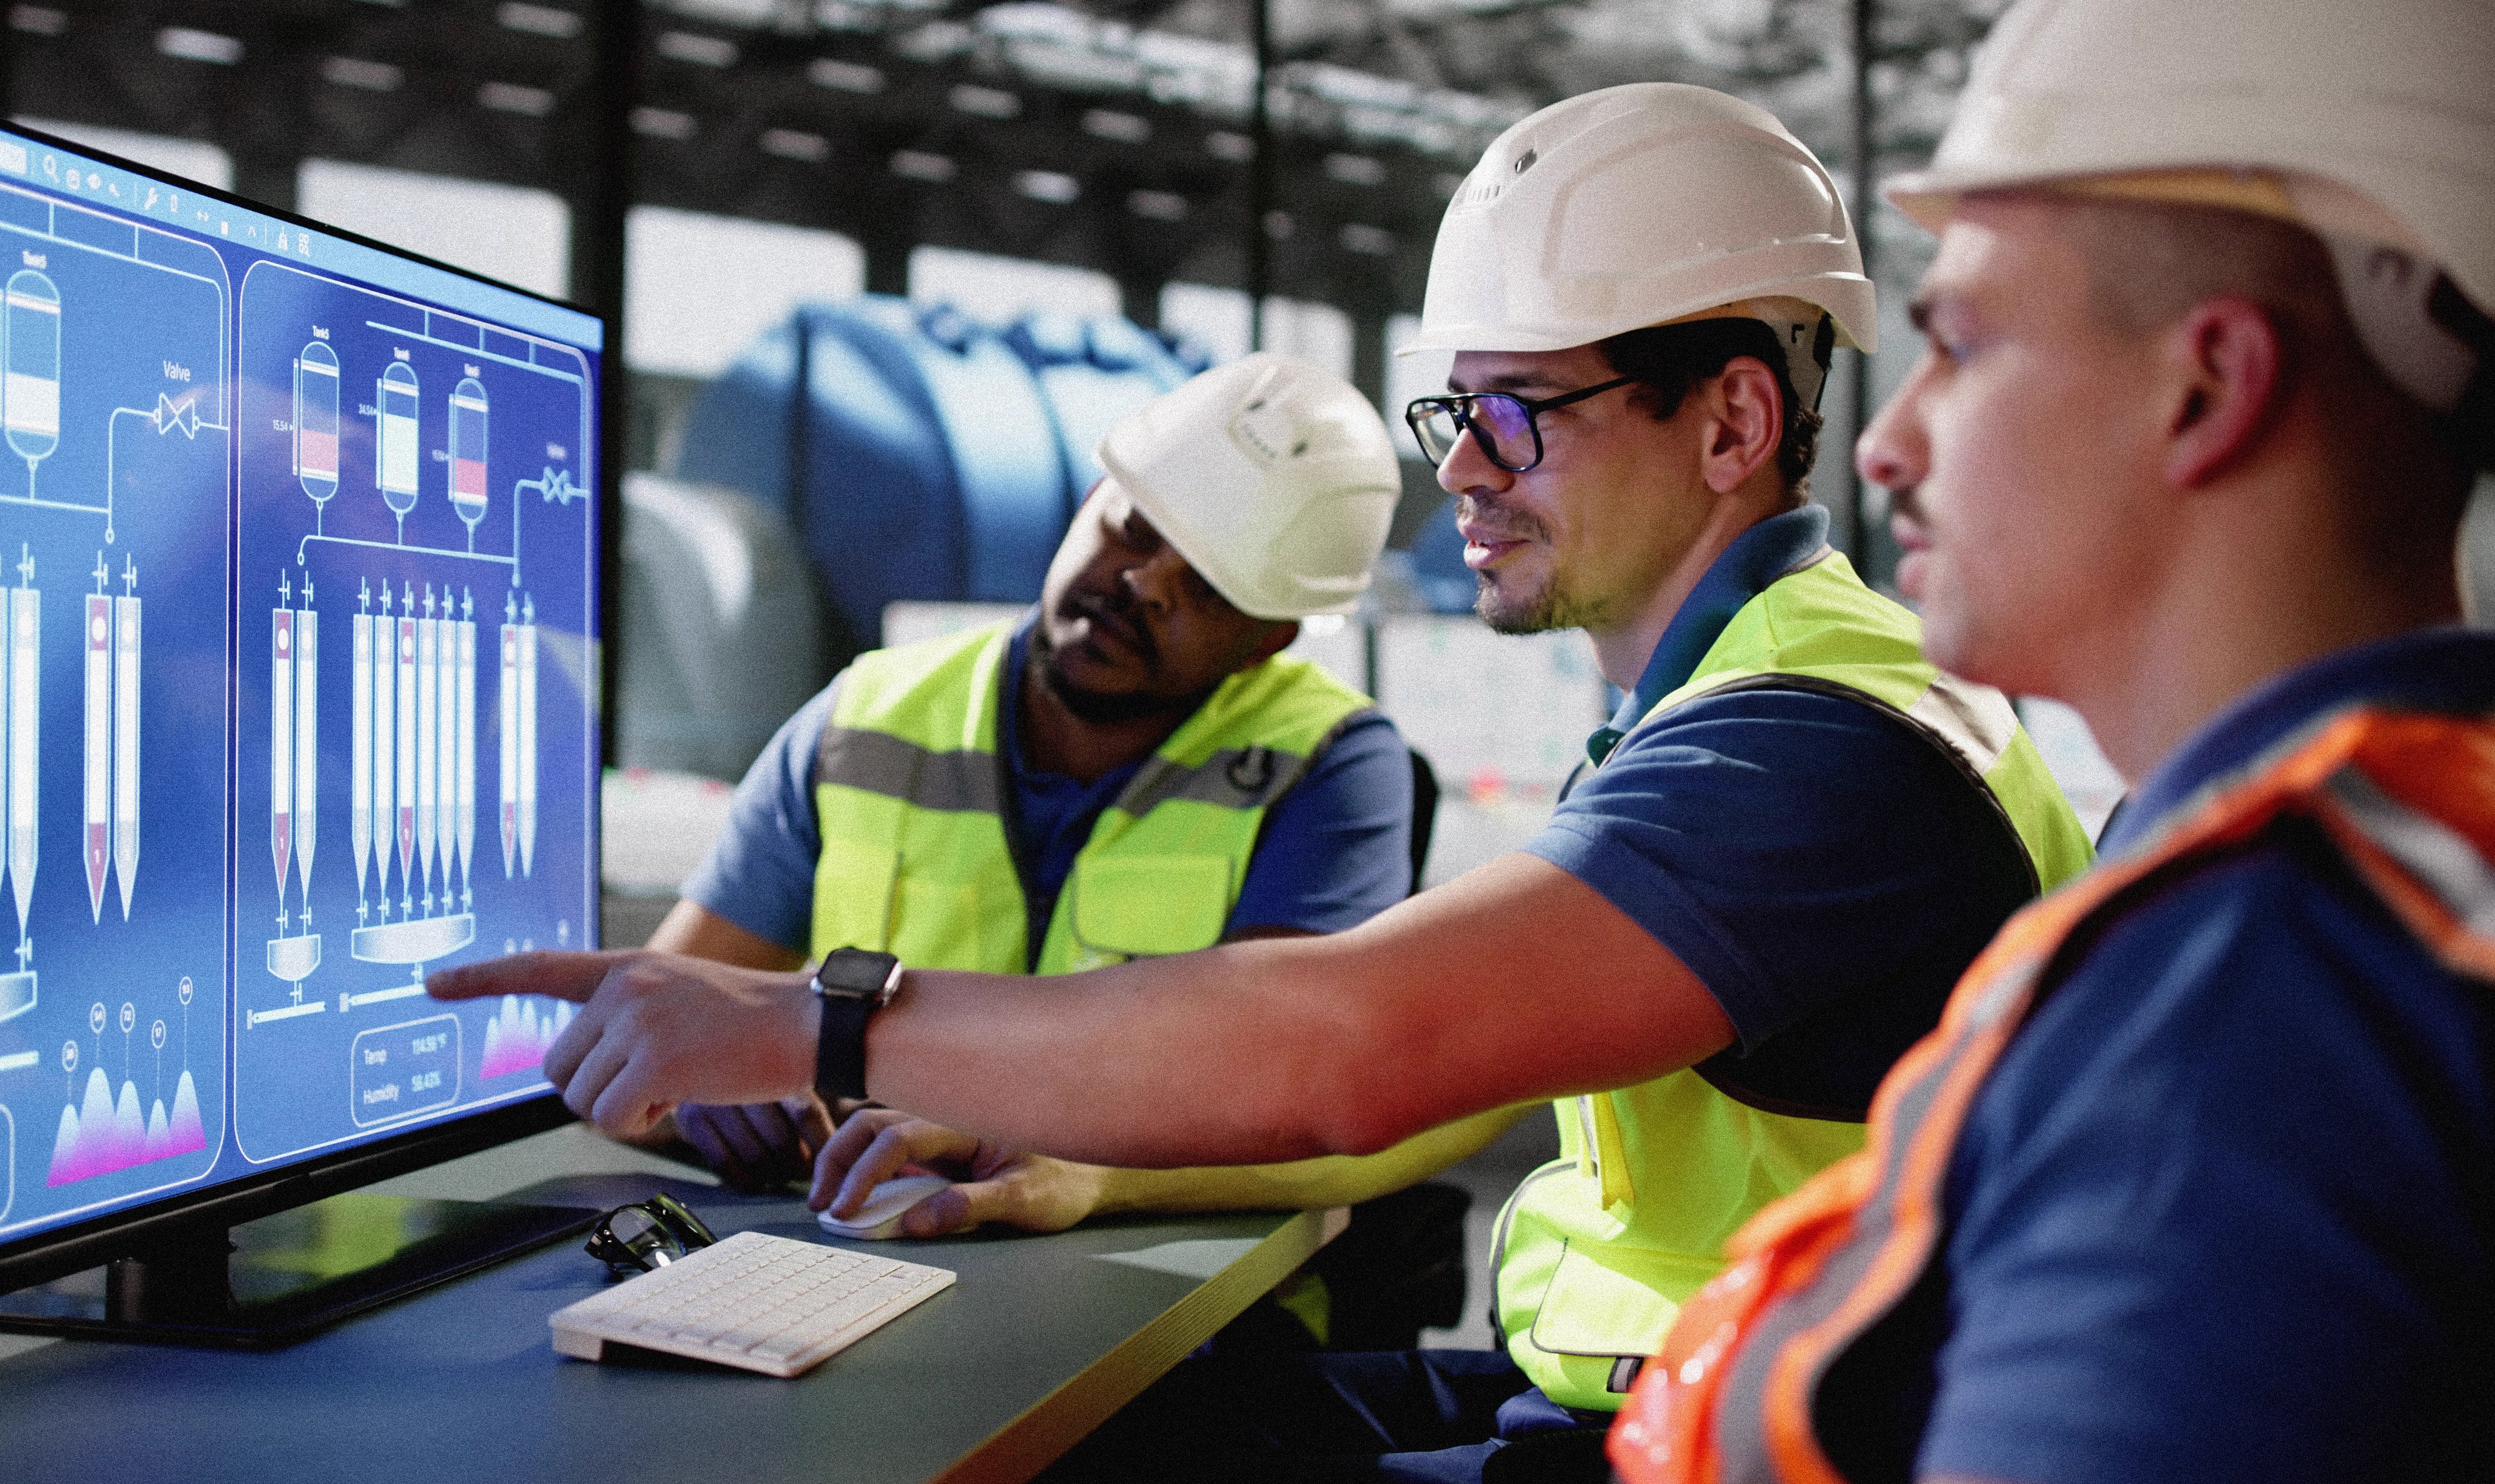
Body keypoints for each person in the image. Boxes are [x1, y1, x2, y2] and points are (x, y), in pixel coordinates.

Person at [435, 82, 2094, 1480]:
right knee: (1146, 1428)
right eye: (1458, 409)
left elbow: (1356, 1046)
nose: (1458, 467)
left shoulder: (1809, 738)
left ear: (1730, 423)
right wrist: (1074, 1164)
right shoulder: (1741, 695)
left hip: (1751, 1440)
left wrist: (825, 1020)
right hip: (1680, 1398)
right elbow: (1437, 1062)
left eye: (1519, 413)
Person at [1604, 1, 2495, 1480]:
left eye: (1956, 340)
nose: (1886, 444)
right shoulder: (2361, 866)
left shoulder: (2248, 1007)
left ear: (2205, 386)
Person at [645, 352, 1417, 1189]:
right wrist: (707, 1095)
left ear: (1266, 641)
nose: (1142, 584)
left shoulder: (1326, 764)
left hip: (1183, 1281)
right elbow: (655, 1031)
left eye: (1207, 586)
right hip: (857, 1230)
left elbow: (1286, 1091)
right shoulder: (863, 720)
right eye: (1135, 529)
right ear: (1090, 501)